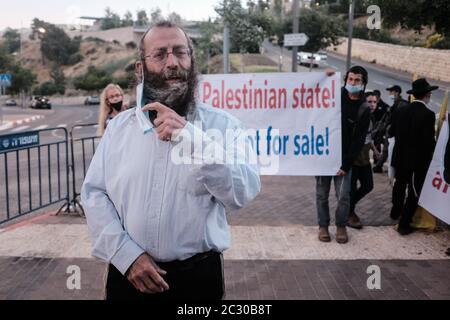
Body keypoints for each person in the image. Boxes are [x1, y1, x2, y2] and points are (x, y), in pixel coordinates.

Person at [81, 21, 261, 300]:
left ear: (192, 60)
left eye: (180, 52)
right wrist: (126, 256)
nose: (173, 62)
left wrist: (191, 139)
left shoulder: (224, 126)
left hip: (197, 281)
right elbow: (94, 194)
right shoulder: (119, 129)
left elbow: (241, 193)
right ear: (140, 68)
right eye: (160, 54)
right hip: (127, 274)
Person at [316, 65, 370, 243]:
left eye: (357, 80)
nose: (353, 83)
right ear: (346, 79)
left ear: (363, 83)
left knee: (344, 197)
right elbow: (314, 96)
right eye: (350, 79)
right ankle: (323, 226)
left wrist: (346, 165)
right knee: (322, 194)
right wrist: (323, 78)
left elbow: (359, 141)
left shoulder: (363, 108)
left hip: (344, 161)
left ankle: (341, 226)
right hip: (324, 156)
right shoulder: (333, 95)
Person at [391, 78, 438, 235]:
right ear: (427, 95)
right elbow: (428, 142)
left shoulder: (400, 110)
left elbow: (393, 132)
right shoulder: (428, 114)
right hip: (416, 161)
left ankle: (395, 211)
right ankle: (404, 224)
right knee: (414, 192)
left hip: (399, 156)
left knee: (399, 184)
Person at [348, 92, 380, 229]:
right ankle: (349, 213)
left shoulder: (371, 117)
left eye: (374, 102)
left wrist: (375, 150)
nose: (372, 104)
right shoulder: (359, 116)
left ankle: (347, 206)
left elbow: (368, 137)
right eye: (369, 101)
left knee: (368, 185)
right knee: (351, 188)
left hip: (365, 158)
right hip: (354, 158)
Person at [372, 85, 409, 173]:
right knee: (386, 149)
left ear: (396, 92)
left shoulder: (403, 104)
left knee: (389, 149)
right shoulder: (395, 103)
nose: (389, 94)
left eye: (391, 92)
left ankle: (380, 166)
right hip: (391, 130)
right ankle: (379, 165)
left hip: (397, 131)